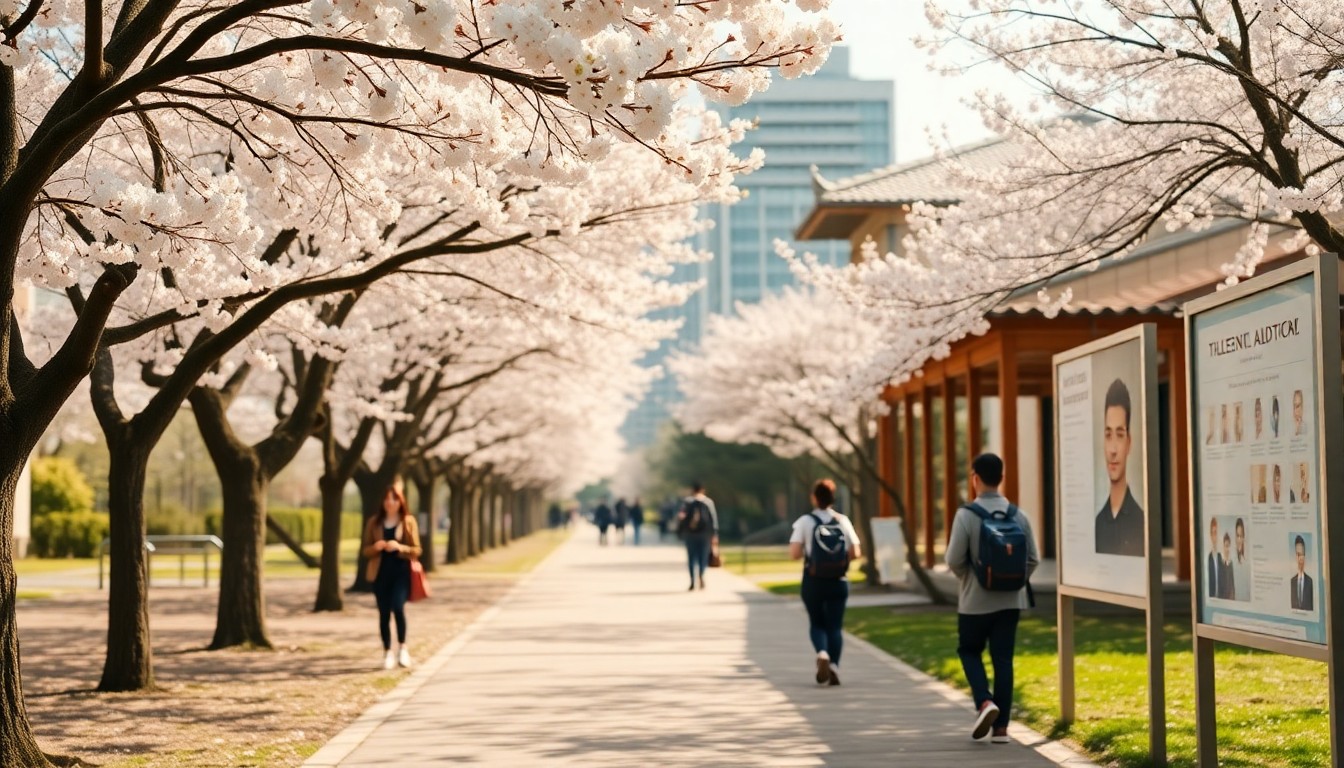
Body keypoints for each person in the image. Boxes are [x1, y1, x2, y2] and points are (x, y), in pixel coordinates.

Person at [947, 453, 1039, 744]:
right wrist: (1012, 581)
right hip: (1011, 601)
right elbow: (1033, 559)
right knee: (1003, 660)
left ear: (975, 478)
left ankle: (985, 702)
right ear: (1001, 478)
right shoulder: (1018, 514)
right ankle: (1001, 729)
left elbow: (953, 559)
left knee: (969, 651)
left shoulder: (966, 515)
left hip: (974, 601)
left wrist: (970, 579)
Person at [789, 479, 861, 687]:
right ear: (832, 498)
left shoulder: (805, 521)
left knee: (817, 622)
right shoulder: (843, 520)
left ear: (814, 497)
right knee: (835, 626)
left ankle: (822, 653)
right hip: (838, 580)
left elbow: (794, 553)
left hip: (813, 580)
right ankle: (834, 666)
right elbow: (856, 552)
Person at [362, 485, 423, 670]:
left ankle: (403, 648)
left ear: (400, 501)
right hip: (380, 574)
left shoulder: (408, 521)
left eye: (394, 498)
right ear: (383, 501)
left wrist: (399, 547)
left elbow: (417, 549)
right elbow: (365, 550)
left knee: (398, 607)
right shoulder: (374, 522)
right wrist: (377, 547)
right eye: (387, 498)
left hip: (401, 574)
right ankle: (387, 651)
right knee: (383, 613)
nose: (390, 502)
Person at [1095, 378, 1144, 557]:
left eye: (1120, 435)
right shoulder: (1098, 523)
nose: (1113, 450)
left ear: (1129, 442)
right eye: (1108, 435)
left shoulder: (1141, 522)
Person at [677, 482, 719, 590]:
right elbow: (713, 520)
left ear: (693, 490)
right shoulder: (708, 502)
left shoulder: (687, 502)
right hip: (705, 534)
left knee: (691, 558)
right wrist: (714, 535)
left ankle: (692, 580)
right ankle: (701, 574)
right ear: (702, 490)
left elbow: (681, 517)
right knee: (703, 557)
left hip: (690, 534)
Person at [1290, 535, 1313, 610]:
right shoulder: (1292, 582)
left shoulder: (1310, 581)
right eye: (1298, 554)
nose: (1300, 558)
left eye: (1302, 554)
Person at [1207, 517, 1226, 599]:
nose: (1215, 536)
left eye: (1217, 532)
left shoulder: (1221, 557)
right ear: (1211, 535)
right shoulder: (1209, 558)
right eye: (1214, 533)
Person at [1232, 518, 1250, 602]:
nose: (1239, 540)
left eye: (1241, 536)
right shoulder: (1232, 560)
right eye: (1237, 536)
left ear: (1243, 538)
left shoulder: (1246, 562)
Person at [1221, 533, 1235, 599]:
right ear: (1223, 546)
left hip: (1230, 598)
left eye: (1229, 546)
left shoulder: (1231, 563)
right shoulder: (1220, 564)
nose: (1227, 549)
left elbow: (1232, 584)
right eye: (1226, 546)